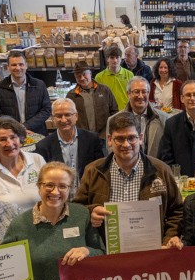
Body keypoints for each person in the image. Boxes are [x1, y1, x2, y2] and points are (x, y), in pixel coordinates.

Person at [74, 112, 184, 248]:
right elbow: (77, 209)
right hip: (107, 252)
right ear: (109, 139)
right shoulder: (93, 171)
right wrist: (91, 211)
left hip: (151, 251)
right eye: (119, 139)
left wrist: (169, 239)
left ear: (140, 138)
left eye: (131, 138)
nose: (126, 145)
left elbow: (177, 211)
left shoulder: (161, 170)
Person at [2, 162, 105, 280]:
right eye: (49, 185)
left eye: (62, 186)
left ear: (70, 189)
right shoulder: (20, 224)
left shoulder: (82, 215)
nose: (55, 192)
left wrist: (87, 251)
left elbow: (102, 253)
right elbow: (2, 266)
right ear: (39, 186)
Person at [0, 117, 47, 210]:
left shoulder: (37, 160)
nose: (9, 144)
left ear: (20, 139)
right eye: (2, 139)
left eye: (13, 137)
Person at [34, 99, 106, 179]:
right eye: (58, 116)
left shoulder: (92, 139)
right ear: (53, 118)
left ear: (76, 116)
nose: (63, 120)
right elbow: (42, 177)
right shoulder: (43, 146)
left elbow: (100, 169)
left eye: (68, 115)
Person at [0, 51, 52, 135]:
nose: (18, 68)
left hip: (36, 132)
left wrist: (26, 126)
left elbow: (46, 110)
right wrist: (15, 127)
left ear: (26, 66)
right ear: (8, 67)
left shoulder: (39, 85)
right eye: (14, 65)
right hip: (10, 133)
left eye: (21, 64)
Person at [110, 77, 170, 157]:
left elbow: (168, 151)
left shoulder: (164, 119)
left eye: (144, 92)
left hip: (155, 168)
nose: (140, 96)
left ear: (149, 93)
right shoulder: (113, 120)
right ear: (128, 94)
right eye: (136, 92)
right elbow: (112, 153)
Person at [67, 60, 119, 136]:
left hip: (104, 137)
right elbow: (69, 117)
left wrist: (108, 132)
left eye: (84, 74)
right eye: (78, 76)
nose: (82, 78)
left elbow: (114, 112)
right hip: (83, 137)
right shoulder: (71, 95)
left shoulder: (104, 90)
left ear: (90, 73)